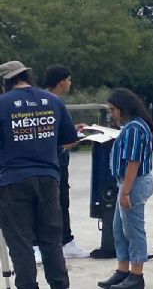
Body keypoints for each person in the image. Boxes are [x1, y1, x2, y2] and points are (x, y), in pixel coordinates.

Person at [0, 60, 78, 289]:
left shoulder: (2, 104)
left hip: (12, 181)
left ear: (5, 81)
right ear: (26, 75)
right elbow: (70, 139)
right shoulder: (53, 101)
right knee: (51, 240)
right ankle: (60, 285)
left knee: (20, 242)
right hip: (48, 178)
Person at [96, 88, 153, 289]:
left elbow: (133, 161)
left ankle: (136, 275)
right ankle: (123, 270)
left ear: (123, 108)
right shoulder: (132, 127)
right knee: (119, 229)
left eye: (113, 109)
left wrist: (125, 192)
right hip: (127, 183)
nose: (112, 113)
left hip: (132, 183)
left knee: (133, 230)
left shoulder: (135, 128)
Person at [41, 65, 89, 261]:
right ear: (62, 81)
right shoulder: (50, 102)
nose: (70, 84)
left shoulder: (55, 102)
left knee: (63, 202)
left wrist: (74, 129)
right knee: (52, 204)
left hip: (60, 161)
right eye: (69, 80)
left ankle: (67, 241)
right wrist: (77, 138)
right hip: (54, 161)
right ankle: (47, 244)